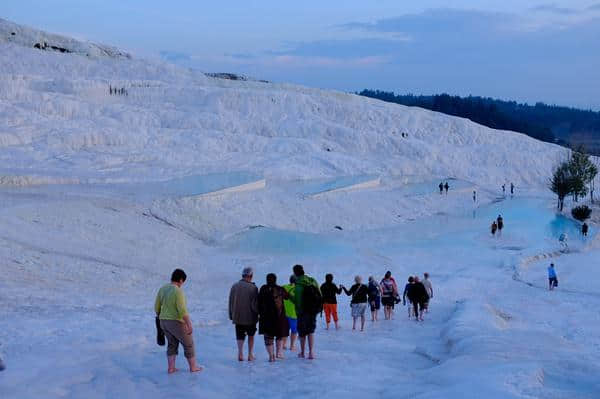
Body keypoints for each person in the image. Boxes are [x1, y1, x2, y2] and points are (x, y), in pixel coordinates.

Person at [154, 268, 202, 374]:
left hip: (163, 321)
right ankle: (193, 367)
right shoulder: (177, 291)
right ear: (180, 280)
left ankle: (171, 368)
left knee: (172, 344)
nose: (182, 284)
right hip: (175, 321)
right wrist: (189, 324)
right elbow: (182, 310)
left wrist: (160, 316)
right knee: (188, 343)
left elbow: (156, 306)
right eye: (183, 282)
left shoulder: (163, 288)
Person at [229, 267, 259, 361]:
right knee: (251, 335)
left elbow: (231, 302)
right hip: (250, 317)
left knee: (240, 335)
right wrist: (258, 314)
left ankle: (240, 354)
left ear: (242, 275)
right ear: (251, 276)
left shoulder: (234, 286)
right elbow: (255, 305)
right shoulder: (253, 288)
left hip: (237, 316)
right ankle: (250, 355)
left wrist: (231, 315)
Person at [258, 274, 290, 361]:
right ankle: (278, 352)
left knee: (268, 337)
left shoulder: (263, 289)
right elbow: (288, 297)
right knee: (279, 335)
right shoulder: (280, 289)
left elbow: (259, 301)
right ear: (275, 280)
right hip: (279, 317)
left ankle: (271, 356)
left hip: (266, 317)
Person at [293, 264, 321, 359]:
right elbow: (320, 294)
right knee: (311, 331)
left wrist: (289, 297)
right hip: (313, 311)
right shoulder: (312, 280)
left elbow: (297, 301)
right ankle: (311, 353)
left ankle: (302, 352)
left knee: (302, 333)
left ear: (295, 273)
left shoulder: (298, 284)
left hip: (302, 312)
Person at [282, 275, 297, 351]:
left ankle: (284, 345)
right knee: (294, 331)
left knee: (285, 330)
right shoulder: (297, 290)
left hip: (284, 314)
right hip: (294, 315)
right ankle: (292, 346)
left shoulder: (284, 287)